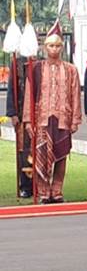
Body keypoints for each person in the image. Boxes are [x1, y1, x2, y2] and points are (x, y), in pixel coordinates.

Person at [20, 24, 82, 204]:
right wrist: (28, 120)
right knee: (41, 154)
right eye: (50, 45)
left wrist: (76, 119)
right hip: (42, 119)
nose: (54, 49)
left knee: (61, 154)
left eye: (57, 45)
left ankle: (57, 190)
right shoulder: (36, 68)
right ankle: (44, 191)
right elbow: (29, 95)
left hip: (63, 118)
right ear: (44, 47)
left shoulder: (71, 69)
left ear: (62, 47)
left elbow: (75, 94)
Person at [6, 55, 32, 198]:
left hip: (39, 114)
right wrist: (13, 112)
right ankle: (26, 186)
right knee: (24, 150)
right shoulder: (17, 63)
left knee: (40, 150)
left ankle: (40, 185)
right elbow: (12, 87)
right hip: (22, 114)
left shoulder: (43, 61)